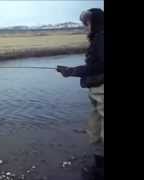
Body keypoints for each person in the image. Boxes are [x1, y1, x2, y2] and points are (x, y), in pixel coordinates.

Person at [56, 8, 104, 180]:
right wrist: (72, 71)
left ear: (96, 22)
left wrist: (72, 71)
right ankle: (99, 169)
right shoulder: (97, 39)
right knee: (95, 131)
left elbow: (100, 67)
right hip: (96, 91)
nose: (85, 26)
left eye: (87, 22)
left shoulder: (102, 37)